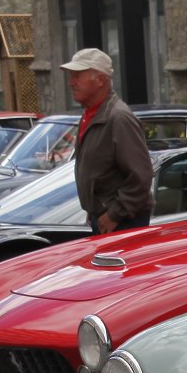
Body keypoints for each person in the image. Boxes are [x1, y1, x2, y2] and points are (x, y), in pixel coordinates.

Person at [61, 47, 152, 235]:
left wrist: (115, 214)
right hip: (105, 218)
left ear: (101, 80)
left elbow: (141, 177)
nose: (71, 83)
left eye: (77, 76)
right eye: (71, 77)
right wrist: (94, 209)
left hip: (123, 222)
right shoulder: (91, 115)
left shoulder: (119, 118)